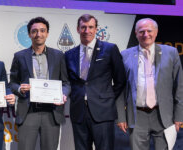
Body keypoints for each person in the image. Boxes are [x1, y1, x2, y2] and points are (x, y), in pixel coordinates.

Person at [116, 18, 183, 150]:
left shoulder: (171, 53)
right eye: (141, 31)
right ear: (136, 33)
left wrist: (179, 116)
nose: (146, 34)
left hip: (164, 115)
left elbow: (179, 87)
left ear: (156, 32)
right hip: (137, 115)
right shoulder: (125, 55)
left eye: (149, 31)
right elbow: (120, 89)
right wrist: (121, 117)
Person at [64, 14, 126, 150]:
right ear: (77, 29)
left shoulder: (110, 49)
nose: (87, 31)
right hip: (79, 112)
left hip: (103, 112)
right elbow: (67, 82)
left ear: (96, 29)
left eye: (91, 27)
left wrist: (106, 98)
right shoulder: (69, 55)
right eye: (84, 27)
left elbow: (121, 80)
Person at [9, 17, 70, 150]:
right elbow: (12, 83)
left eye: (42, 31)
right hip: (28, 111)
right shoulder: (20, 56)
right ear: (29, 34)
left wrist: (63, 94)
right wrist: (19, 88)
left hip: (52, 112)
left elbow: (66, 83)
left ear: (47, 33)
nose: (38, 34)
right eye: (34, 31)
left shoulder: (58, 55)